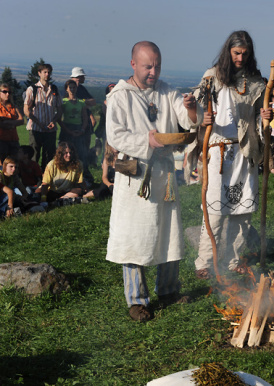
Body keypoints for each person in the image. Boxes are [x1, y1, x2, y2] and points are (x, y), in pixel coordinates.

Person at [106, 41, 200, 322]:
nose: (153, 71)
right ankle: (136, 300)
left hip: (165, 174)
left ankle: (169, 290)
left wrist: (191, 107)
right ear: (133, 63)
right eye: (148, 66)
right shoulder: (120, 96)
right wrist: (146, 140)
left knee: (168, 233)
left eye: (157, 66)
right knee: (134, 236)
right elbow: (116, 136)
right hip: (135, 177)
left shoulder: (167, 92)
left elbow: (189, 121)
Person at [193, 30, 272, 280]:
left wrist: (265, 116)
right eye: (237, 53)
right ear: (229, 51)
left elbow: (261, 110)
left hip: (245, 150)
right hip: (219, 148)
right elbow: (196, 105)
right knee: (215, 211)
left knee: (242, 209)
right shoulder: (212, 76)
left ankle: (233, 259)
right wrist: (201, 116)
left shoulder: (256, 80)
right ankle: (205, 261)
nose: (240, 57)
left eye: (245, 54)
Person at [24, 63, 62, 171]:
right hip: (36, 128)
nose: (47, 74)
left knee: (49, 155)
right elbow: (26, 110)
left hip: (50, 129)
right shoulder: (32, 89)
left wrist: (54, 121)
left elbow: (60, 109)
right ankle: (33, 178)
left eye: (49, 72)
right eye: (45, 72)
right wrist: (37, 122)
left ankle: (46, 177)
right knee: (34, 154)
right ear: (39, 73)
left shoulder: (54, 89)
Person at [59, 79, 91, 187]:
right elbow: (59, 118)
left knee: (79, 153)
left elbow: (85, 118)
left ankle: (81, 176)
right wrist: (68, 131)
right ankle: (64, 175)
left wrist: (82, 129)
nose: (72, 89)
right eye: (70, 88)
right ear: (66, 89)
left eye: (74, 87)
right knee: (65, 153)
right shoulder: (64, 102)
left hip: (78, 128)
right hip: (67, 128)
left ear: (76, 89)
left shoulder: (81, 102)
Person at [0, 83, 24, 163]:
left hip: (14, 140)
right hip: (2, 140)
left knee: (15, 162)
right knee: (3, 164)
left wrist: (8, 122)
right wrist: (13, 123)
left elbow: (21, 120)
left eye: (9, 92)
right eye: (4, 92)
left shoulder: (13, 106)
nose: (7, 94)